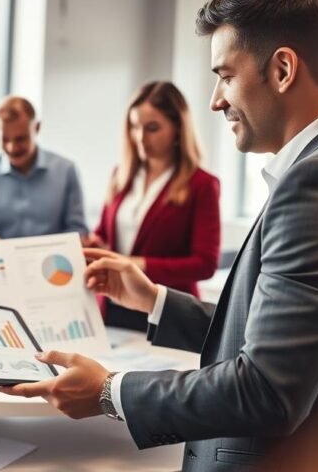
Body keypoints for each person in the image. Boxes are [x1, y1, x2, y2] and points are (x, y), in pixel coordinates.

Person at [0, 0, 318, 472]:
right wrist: (153, 298)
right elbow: (282, 342)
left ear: (283, 68)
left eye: (225, 74)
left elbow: (267, 389)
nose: (216, 100)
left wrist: (110, 391)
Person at [90, 81, 221, 331]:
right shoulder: (121, 176)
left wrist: (137, 265)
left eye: (152, 128)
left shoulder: (202, 185)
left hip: (165, 310)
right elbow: (105, 235)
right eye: (134, 127)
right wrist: (96, 243)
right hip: (112, 306)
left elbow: (204, 264)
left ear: (178, 129)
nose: (140, 138)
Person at [0, 96, 88, 241]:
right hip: (0, 261)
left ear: (37, 128)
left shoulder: (66, 170)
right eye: (5, 139)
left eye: (20, 139)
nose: (12, 148)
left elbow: (78, 230)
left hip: (54, 262)